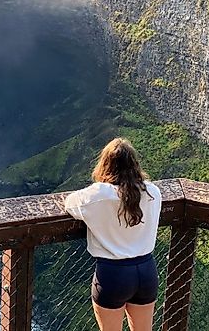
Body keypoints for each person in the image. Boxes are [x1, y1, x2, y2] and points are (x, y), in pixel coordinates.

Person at [64, 137, 162, 331]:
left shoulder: (98, 195)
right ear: (135, 164)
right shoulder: (153, 192)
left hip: (113, 275)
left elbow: (70, 203)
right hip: (146, 270)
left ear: (105, 165)